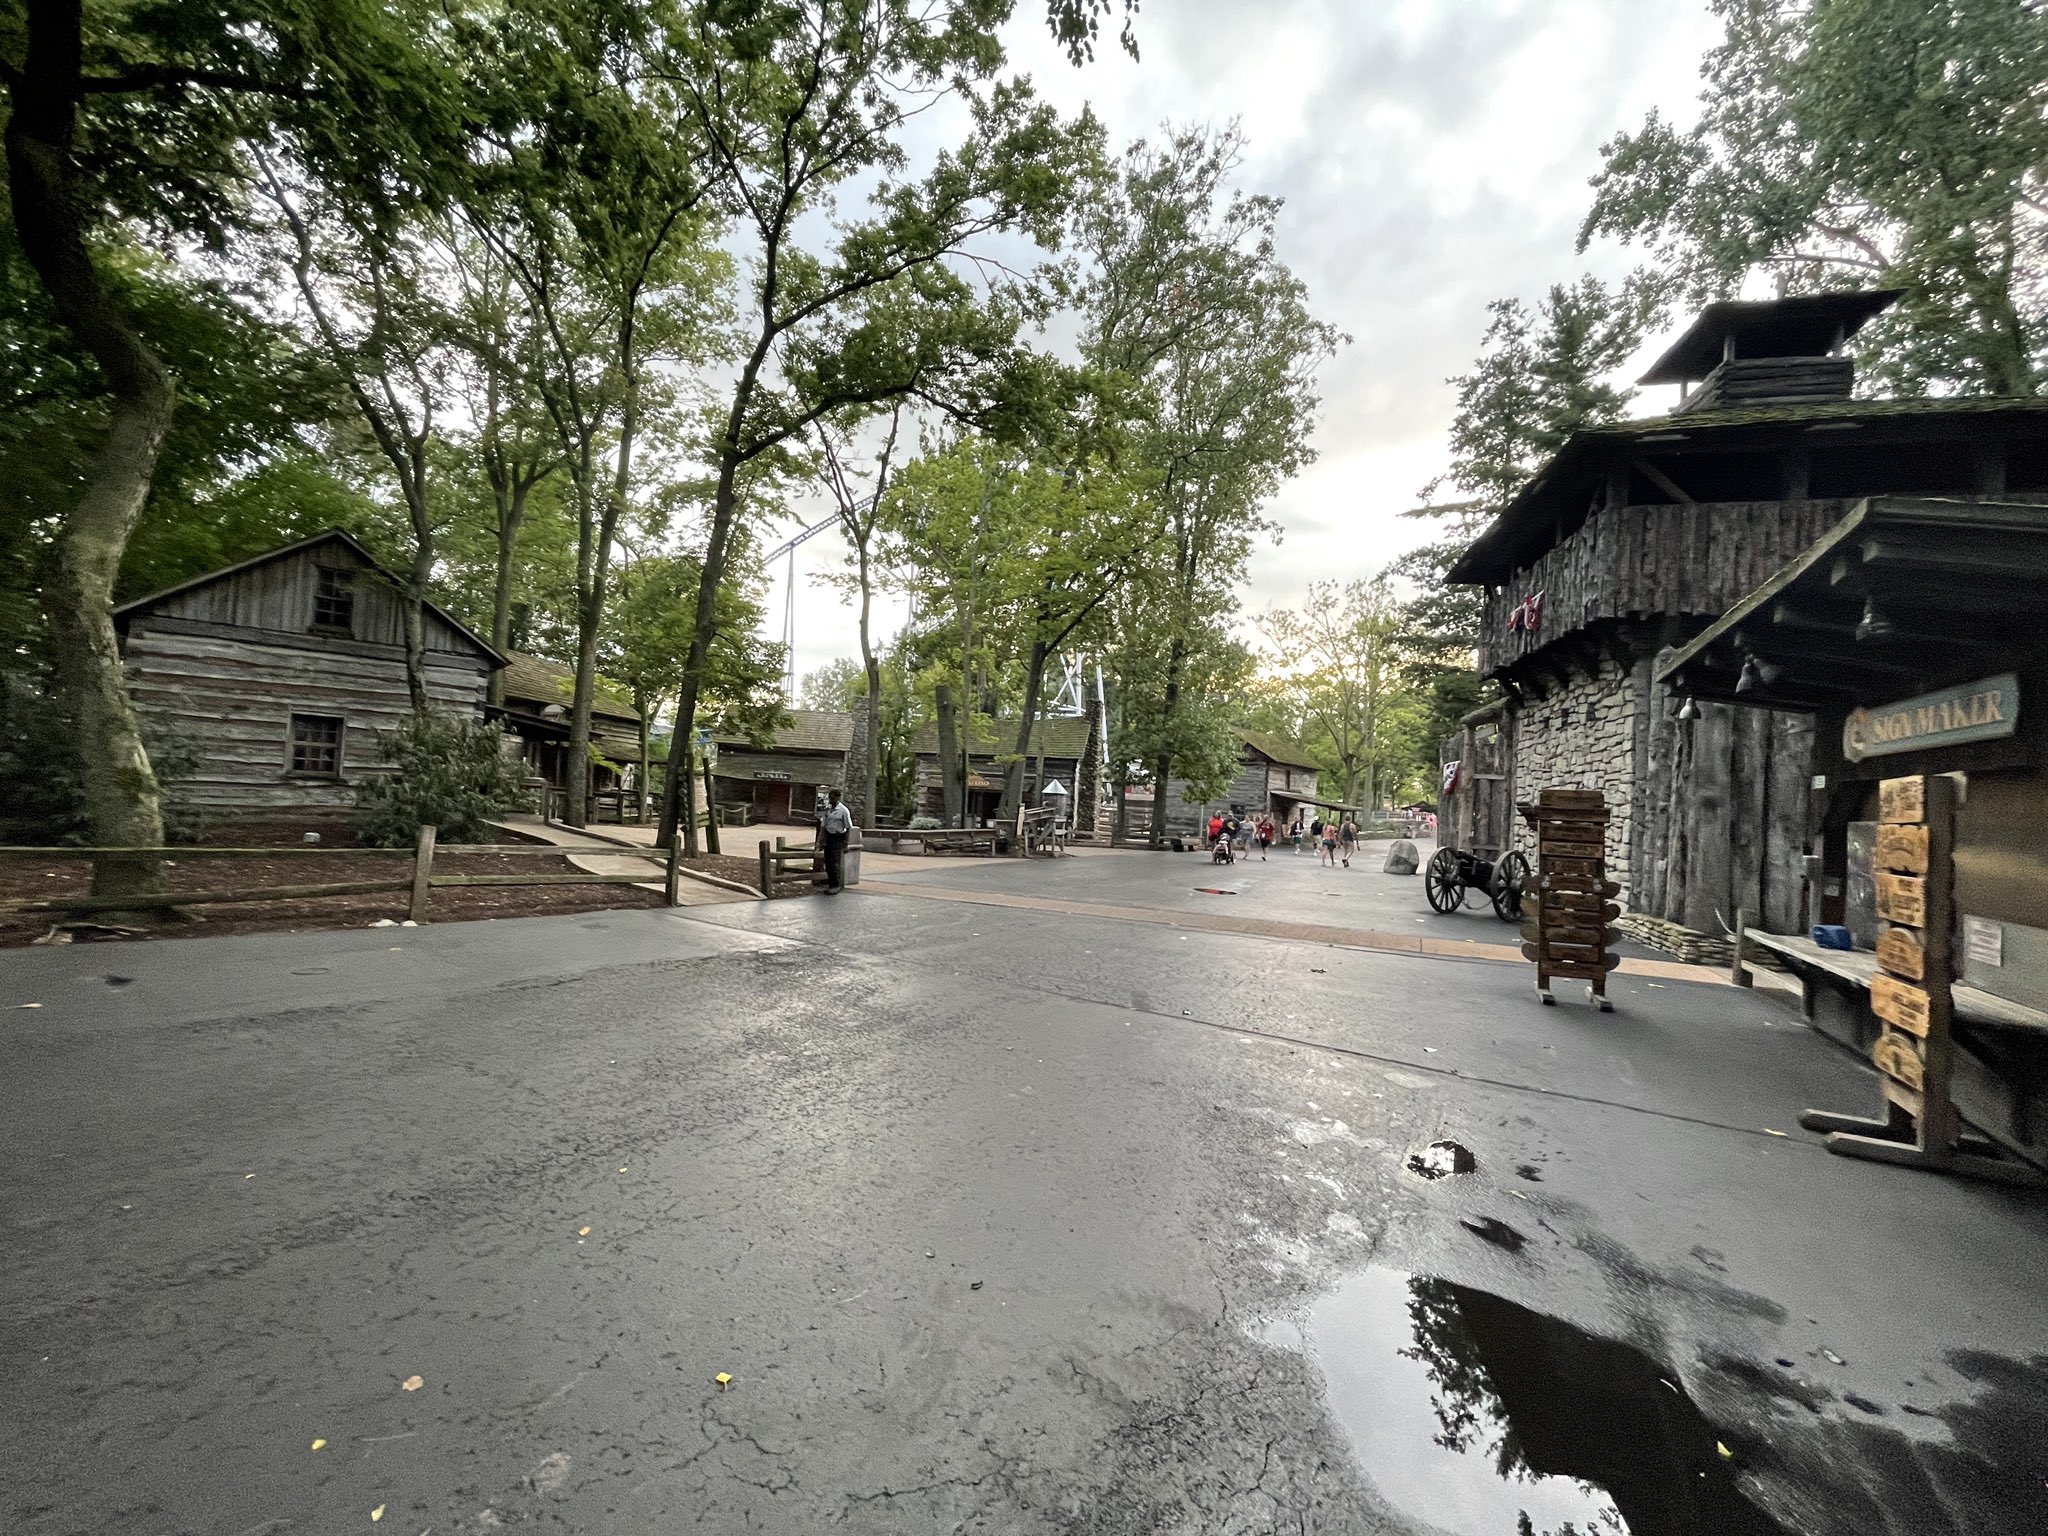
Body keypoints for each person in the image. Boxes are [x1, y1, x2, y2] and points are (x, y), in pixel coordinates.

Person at [819, 786, 853, 892]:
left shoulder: (843, 810)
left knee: (834, 861)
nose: (831, 800)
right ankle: (830, 882)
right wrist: (821, 840)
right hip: (829, 836)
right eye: (830, 798)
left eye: (833, 798)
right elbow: (824, 826)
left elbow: (848, 827)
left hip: (838, 837)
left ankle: (836, 885)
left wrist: (846, 843)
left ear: (838, 798)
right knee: (827, 860)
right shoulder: (827, 810)